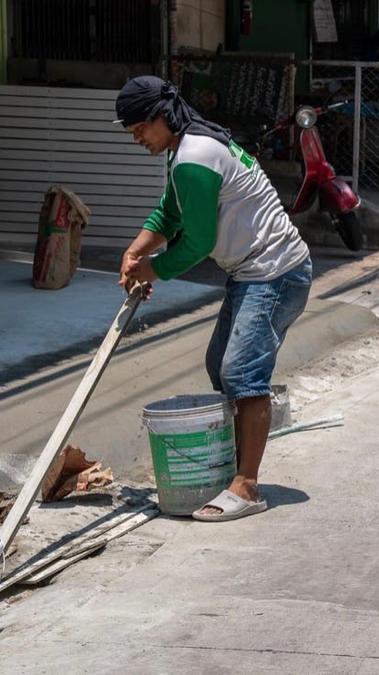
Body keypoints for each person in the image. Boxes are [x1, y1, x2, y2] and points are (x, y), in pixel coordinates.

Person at [115, 76, 313, 522]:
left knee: (241, 371)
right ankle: (232, 469)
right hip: (254, 271)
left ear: (160, 117)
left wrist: (151, 269)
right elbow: (170, 212)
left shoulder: (195, 155)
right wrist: (135, 251)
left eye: (138, 129)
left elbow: (197, 241)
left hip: (277, 271)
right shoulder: (185, 149)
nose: (137, 139)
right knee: (219, 363)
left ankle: (246, 487)